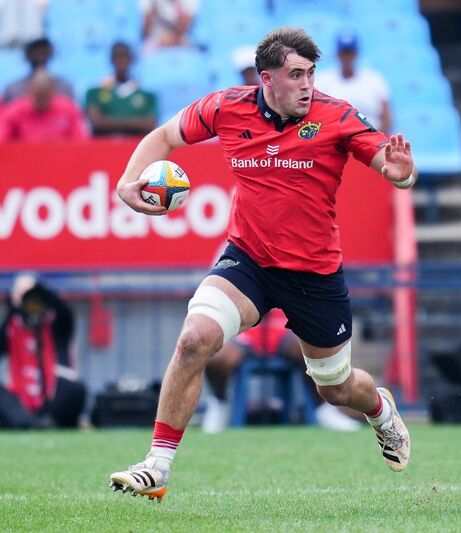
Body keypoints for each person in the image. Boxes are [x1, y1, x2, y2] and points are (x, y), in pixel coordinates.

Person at [108, 26, 416, 501]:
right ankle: (157, 465)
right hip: (249, 260)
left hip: (314, 273)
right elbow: (165, 135)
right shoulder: (226, 107)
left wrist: (401, 171)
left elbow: (390, 165)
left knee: (334, 388)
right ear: (266, 78)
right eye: (296, 75)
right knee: (194, 340)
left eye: (311, 74)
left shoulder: (337, 116)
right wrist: (128, 183)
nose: (307, 85)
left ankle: (379, 410)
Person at [202, 308, 361, 432]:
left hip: (284, 327)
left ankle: (323, 408)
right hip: (247, 329)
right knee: (218, 360)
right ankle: (220, 404)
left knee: (314, 352)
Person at [0, 273, 86, 429]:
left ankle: (47, 420)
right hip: (20, 396)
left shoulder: (56, 326)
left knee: (75, 389)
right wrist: (14, 308)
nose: (29, 300)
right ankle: (27, 422)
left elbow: (65, 313)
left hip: (54, 395)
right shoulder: (11, 329)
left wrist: (42, 293)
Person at [314, 31, 392, 133]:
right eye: (343, 53)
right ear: (337, 54)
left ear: (356, 54)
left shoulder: (374, 79)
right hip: (335, 140)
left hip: (371, 138)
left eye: (350, 53)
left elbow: (386, 116)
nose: (347, 57)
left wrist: (377, 141)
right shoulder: (323, 80)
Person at [86, 42, 157, 137]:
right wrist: (136, 123)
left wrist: (107, 121)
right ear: (111, 60)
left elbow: (149, 124)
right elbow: (96, 122)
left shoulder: (148, 96)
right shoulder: (95, 93)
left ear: (131, 59)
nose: (121, 60)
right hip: (104, 147)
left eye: (124, 56)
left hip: (135, 147)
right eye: (117, 56)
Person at [0, 68, 89, 142]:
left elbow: (81, 140)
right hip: (24, 158)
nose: (41, 99)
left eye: (45, 94)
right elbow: (3, 141)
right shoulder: (14, 111)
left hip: (62, 157)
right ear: (29, 90)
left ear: (52, 91)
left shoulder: (68, 109)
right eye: (38, 95)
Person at [3, 37, 73, 103]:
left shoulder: (64, 87)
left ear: (51, 53)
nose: (39, 54)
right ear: (26, 55)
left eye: (43, 50)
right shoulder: (13, 90)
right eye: (35, 50)